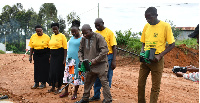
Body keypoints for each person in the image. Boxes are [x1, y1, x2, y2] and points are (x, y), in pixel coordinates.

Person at [138, 7, 175, 103]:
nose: (148, 20)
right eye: (146, 18)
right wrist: (142, 52)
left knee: (155, 87)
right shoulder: (146, 26)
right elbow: (143, 42)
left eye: (150, 18)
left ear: (156, 15)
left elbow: (172, 45)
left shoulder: (165, 26)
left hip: (156, 60)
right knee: (140, 84)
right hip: (145, 59)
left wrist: (159, 56)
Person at [75, 24, 112, 103]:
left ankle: (108, 100)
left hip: (100, 64)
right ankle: (85, 99)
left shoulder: (99, 37)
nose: (85, 35)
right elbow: (80, 51)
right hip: (88, 65)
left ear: (91, 30)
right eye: (83, 33)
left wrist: (95, 60)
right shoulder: (83, 39)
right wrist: (81, 60)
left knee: (104, 82)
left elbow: (105, 50)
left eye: (86, 33)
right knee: (87, 82)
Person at [89, 18, 117, 101]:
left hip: (108, 57)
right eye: (95, 25)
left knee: (107, 77)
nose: (97, 27)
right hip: (98, 58)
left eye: (98, 25)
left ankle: (107, 97)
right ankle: (96, 95)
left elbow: (114, 47)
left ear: (103, 23)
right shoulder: (95, 33)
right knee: (97, 76)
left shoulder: (109, 32)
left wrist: (114, 60)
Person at [59, 20, 83, 100]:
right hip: (70, 60)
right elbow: (68, 47)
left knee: (76, 77)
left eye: (74, 32)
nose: (73, 33)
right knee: (67, 76)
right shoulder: (71, 38)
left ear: (78, 30)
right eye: (72, 32)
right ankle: (66, 91)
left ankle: (75, 92)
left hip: (77, 60)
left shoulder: (82, 39)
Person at [29, 25, 50, 89]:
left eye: (40, 31)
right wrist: (30, 56)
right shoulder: (33, 36)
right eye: (38, 31)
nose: (39, 32)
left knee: (44, 69)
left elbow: (50, 48)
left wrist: (50, 56)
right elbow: (31, 47)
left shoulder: (46, 37)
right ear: (35, 31)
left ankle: (43, 83)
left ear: (42, 30)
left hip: (45, 53)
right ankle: (36, 83)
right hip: (36, 54)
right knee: (37, 68)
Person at [48, 23, 67, 94]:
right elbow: (51, 47)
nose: (54, 30)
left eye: (56, 29)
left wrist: (64, 59)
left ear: (58, 28)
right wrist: (50, 56)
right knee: (52, 72)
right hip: (53, 56)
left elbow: (65, 48)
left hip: (60, 56)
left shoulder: (62, 36)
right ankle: (52, 87)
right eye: (53, 29)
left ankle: (59, 87)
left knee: (59, 72)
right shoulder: (52, 36)